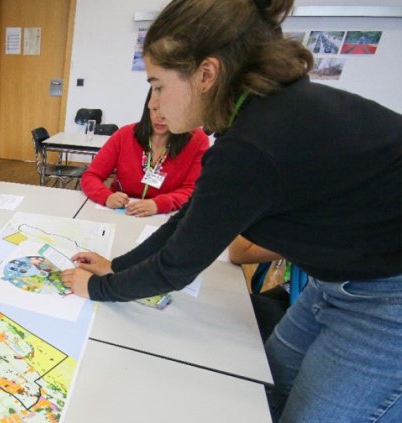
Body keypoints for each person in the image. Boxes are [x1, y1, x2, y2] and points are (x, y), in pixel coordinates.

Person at [60, 0, 401, 421]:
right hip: (339, 279)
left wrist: (98, 289)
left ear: (206, 74)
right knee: (265, 390)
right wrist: (116, 266)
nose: (156, 103)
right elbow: (189, 218)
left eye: (159, 86)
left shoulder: (255, 141)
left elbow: (176, 267)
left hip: (387, 293)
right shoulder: (259, 115)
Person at [80, 90, 209, 216]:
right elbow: (91, 176)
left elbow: (193, 189)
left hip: (167, 216)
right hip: (123, 211)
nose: (160, 117)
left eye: (169, 110)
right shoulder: (125, 135)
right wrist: (107, 196)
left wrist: (159, 204)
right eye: (155, 109)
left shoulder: (197, 140)